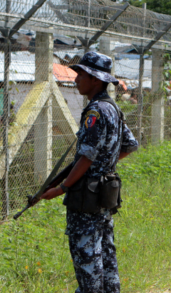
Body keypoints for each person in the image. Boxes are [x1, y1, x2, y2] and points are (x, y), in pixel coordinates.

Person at [40, 51, 138, 293]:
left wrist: (62, 188)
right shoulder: (112, 108)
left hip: (86, 196)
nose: (76, 80)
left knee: (88, 263)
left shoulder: (95, 111)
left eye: (80, 75)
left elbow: (86, 157)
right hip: (105, 193)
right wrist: (105, 165)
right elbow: (130, 144)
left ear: (95, 79)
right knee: (106, 258)